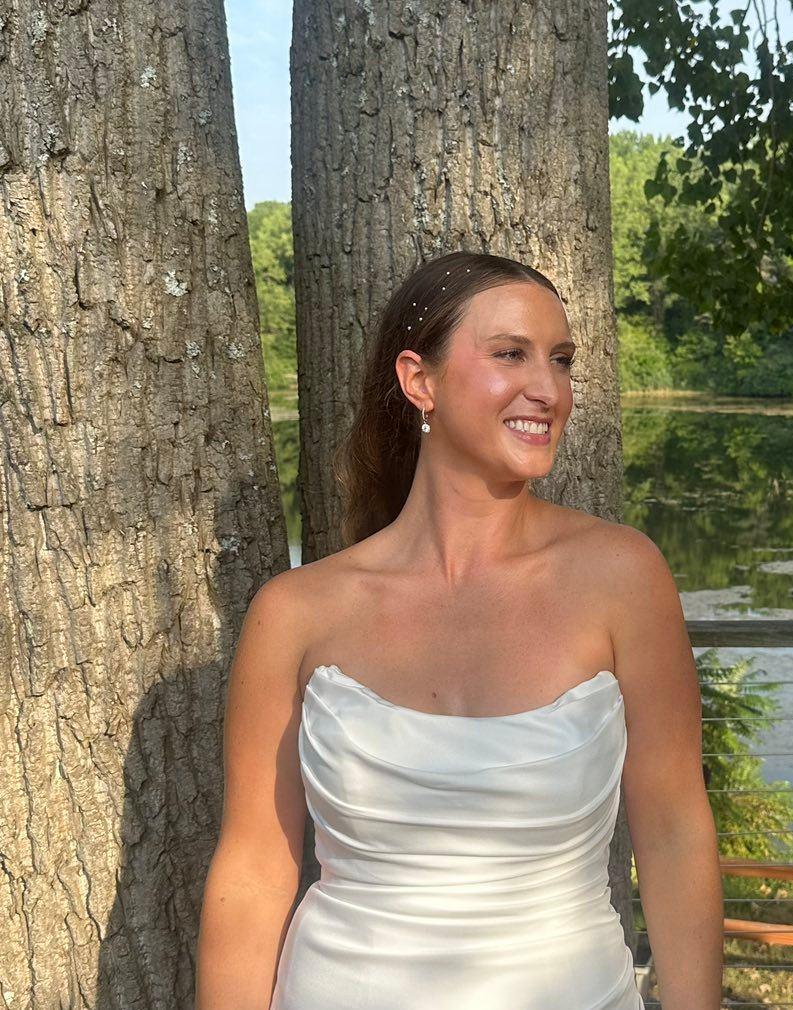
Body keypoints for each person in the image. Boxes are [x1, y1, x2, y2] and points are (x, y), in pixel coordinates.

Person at [195, 251, 723, 1010]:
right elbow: (252, 870)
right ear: (420, 381)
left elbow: (673, 830)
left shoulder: (624, 579)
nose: (549, 390)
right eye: (511, 354)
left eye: (561, 360)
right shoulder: (295, 613)